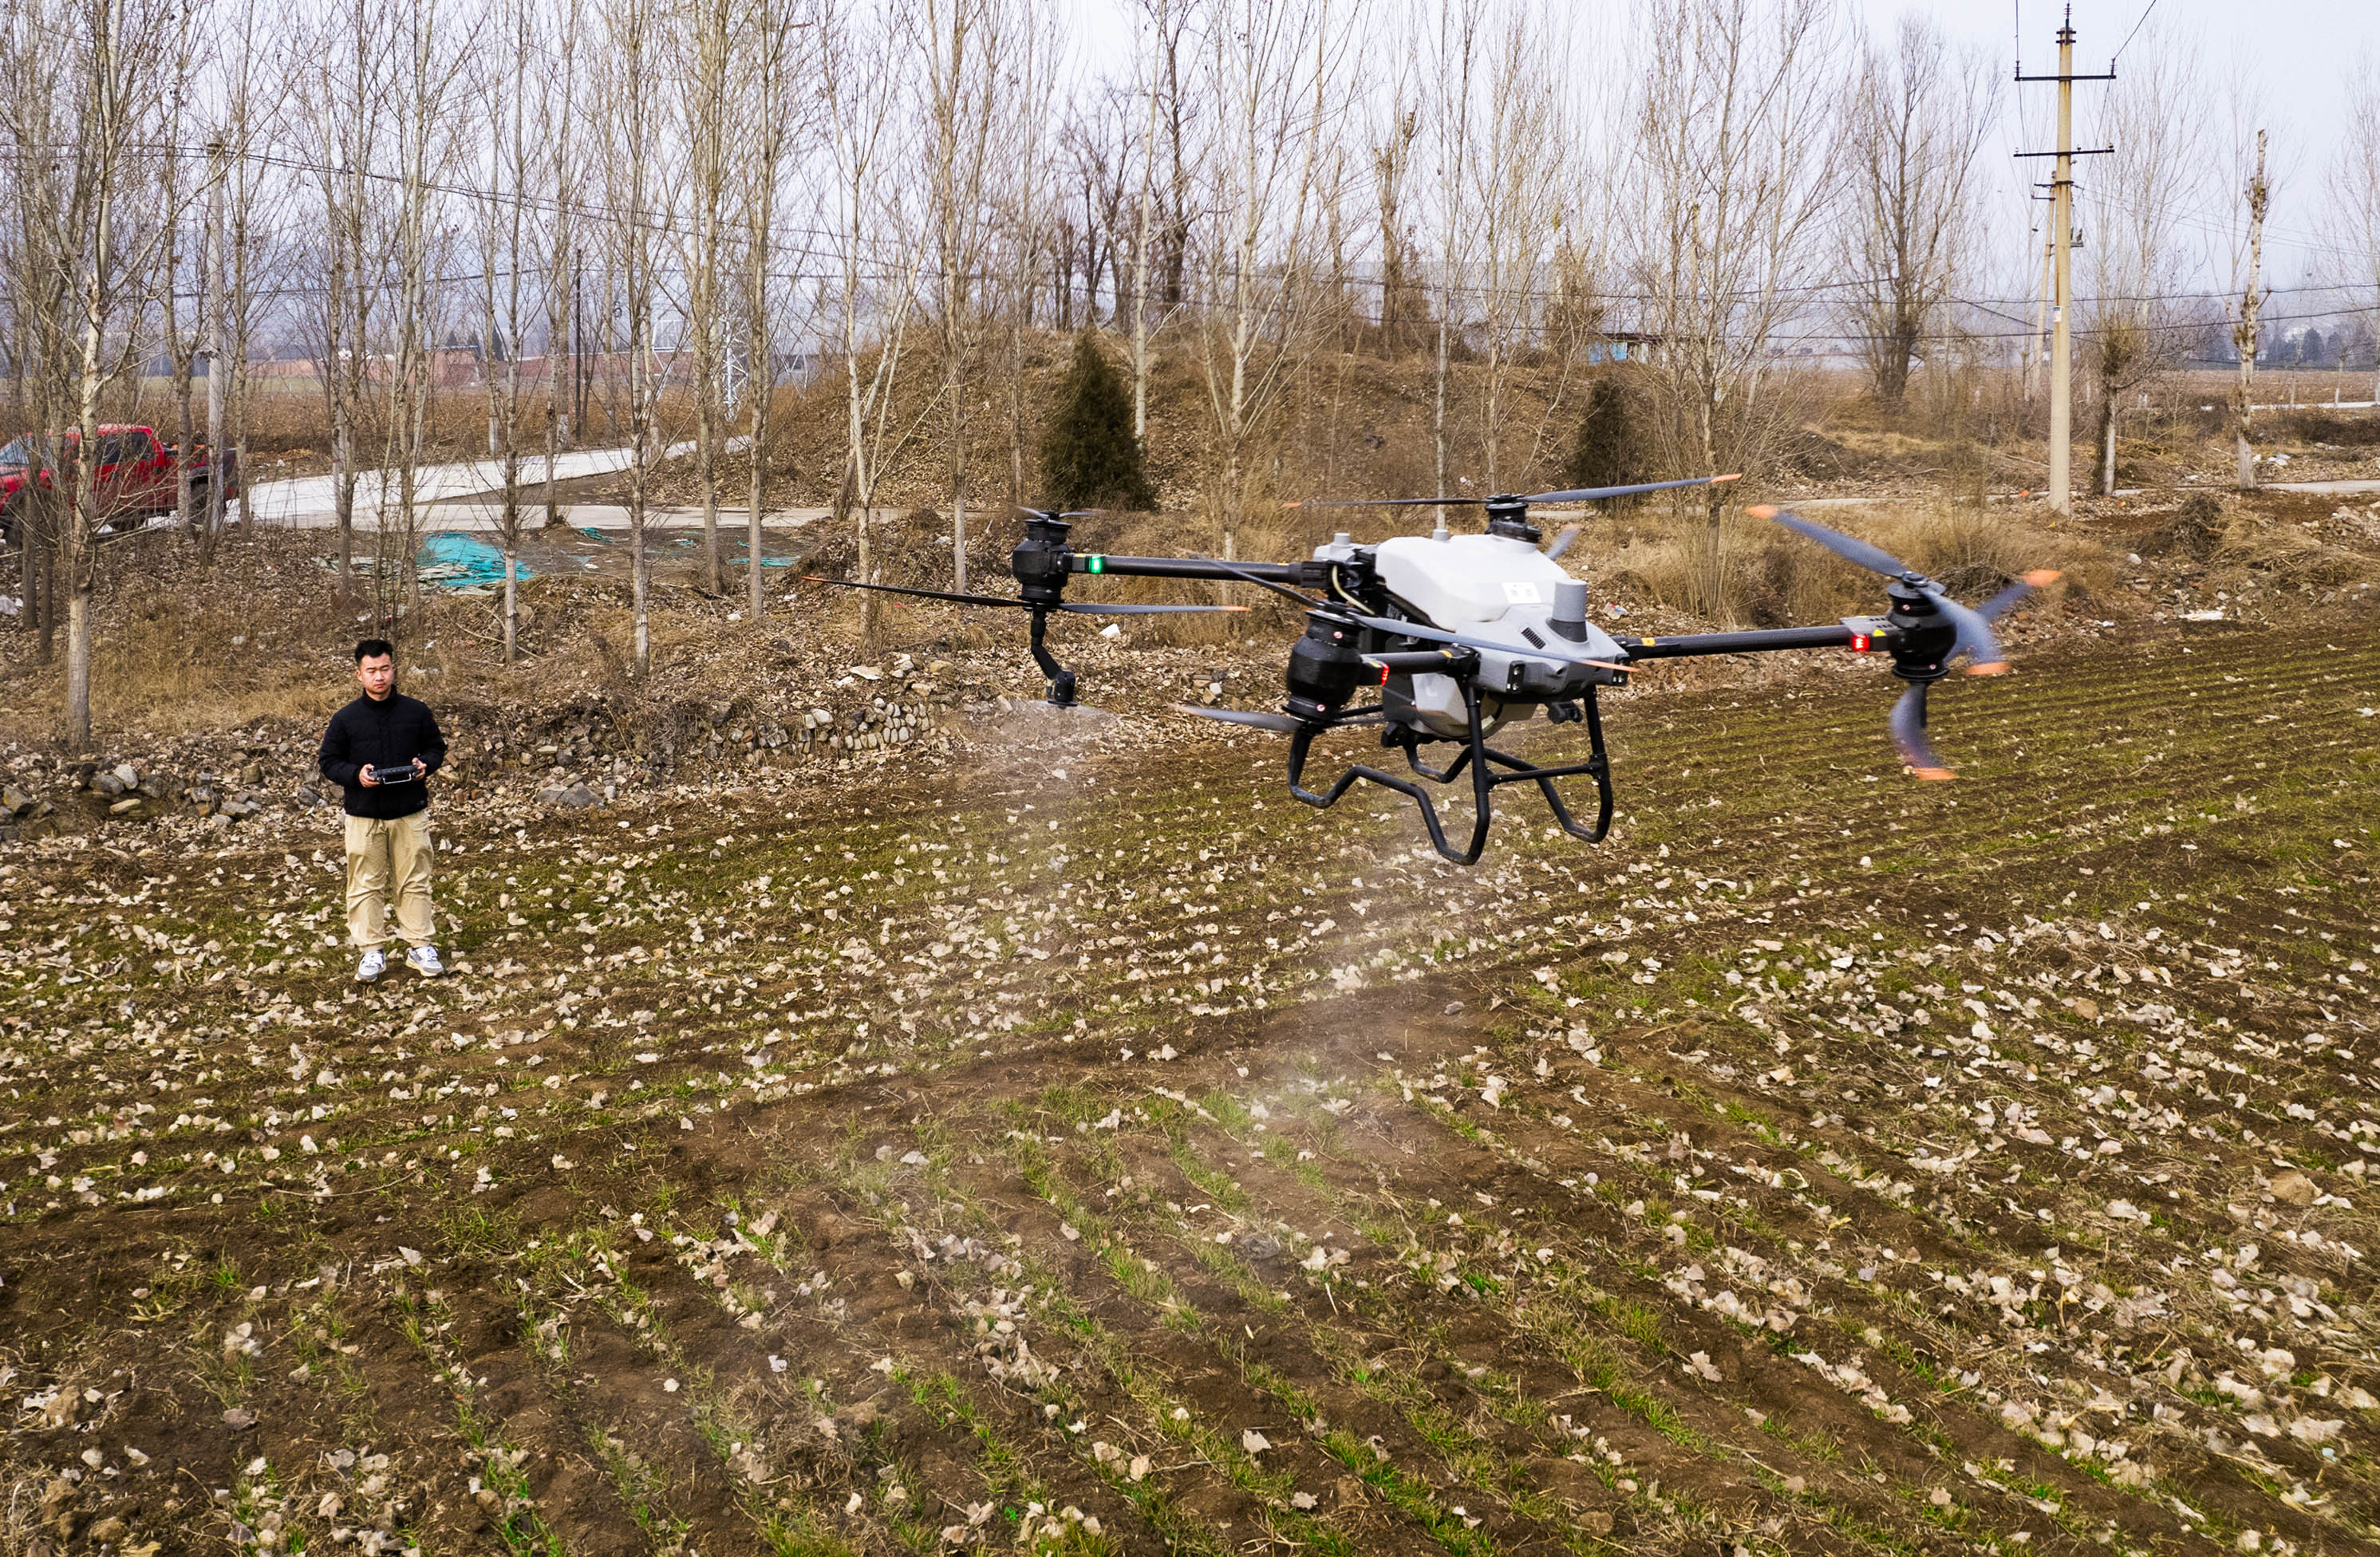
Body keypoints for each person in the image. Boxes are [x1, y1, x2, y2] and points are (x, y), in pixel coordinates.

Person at [319, 639, 448, 981]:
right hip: (364, 815)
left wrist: (425, 765)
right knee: (365, 884)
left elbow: (436, 748)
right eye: (372, 670)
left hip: (410, 812)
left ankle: (420, 946)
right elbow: (328, 761)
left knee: (415, 880)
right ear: (359, 674)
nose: (379, 677)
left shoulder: (416, 712)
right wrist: (356, 775)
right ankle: (371, 951)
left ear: (394, 669)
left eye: (385, 669)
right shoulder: (345, 719)